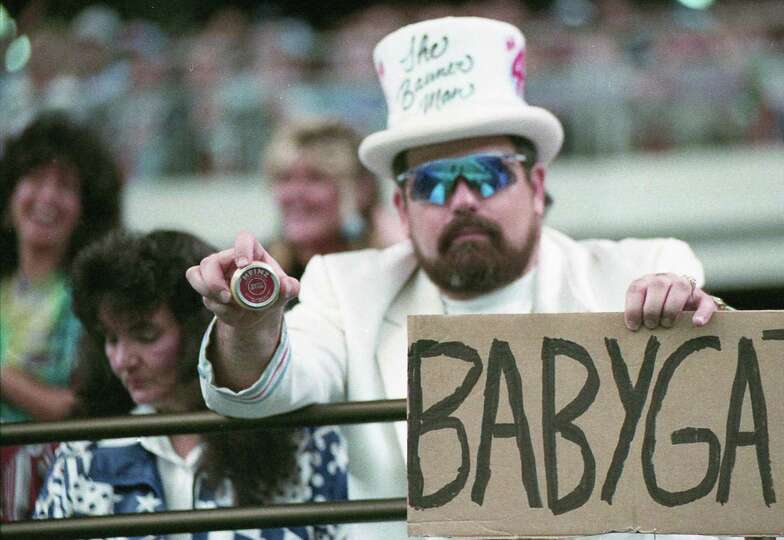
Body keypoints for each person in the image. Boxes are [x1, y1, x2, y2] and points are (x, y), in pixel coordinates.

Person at [187, 17, 723, 539]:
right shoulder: (345, 287)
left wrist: (687, 321)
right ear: (401, 204)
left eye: (488, 174)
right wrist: (249, 323)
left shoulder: (642, 268)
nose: (464, 199)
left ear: (536, 186)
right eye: (433, 184)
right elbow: (267, 388)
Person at [33, 230, 348, 539]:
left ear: (198, 329)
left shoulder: (306, 443)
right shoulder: (83, 456)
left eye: (145, 335)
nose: (121, 359)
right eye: (110, 338)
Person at [0, 111, 123, 520]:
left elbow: (80, 411)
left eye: (66, 186)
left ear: (86, 210)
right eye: (34, 179)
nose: (47, 197)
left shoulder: (92, 300)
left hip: (53, 491)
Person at [263, 117, 400, 282]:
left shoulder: (394, 271)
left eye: (315, 178)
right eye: (285, 178)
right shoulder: (258, 274)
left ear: (361, 190)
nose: (295, 193)